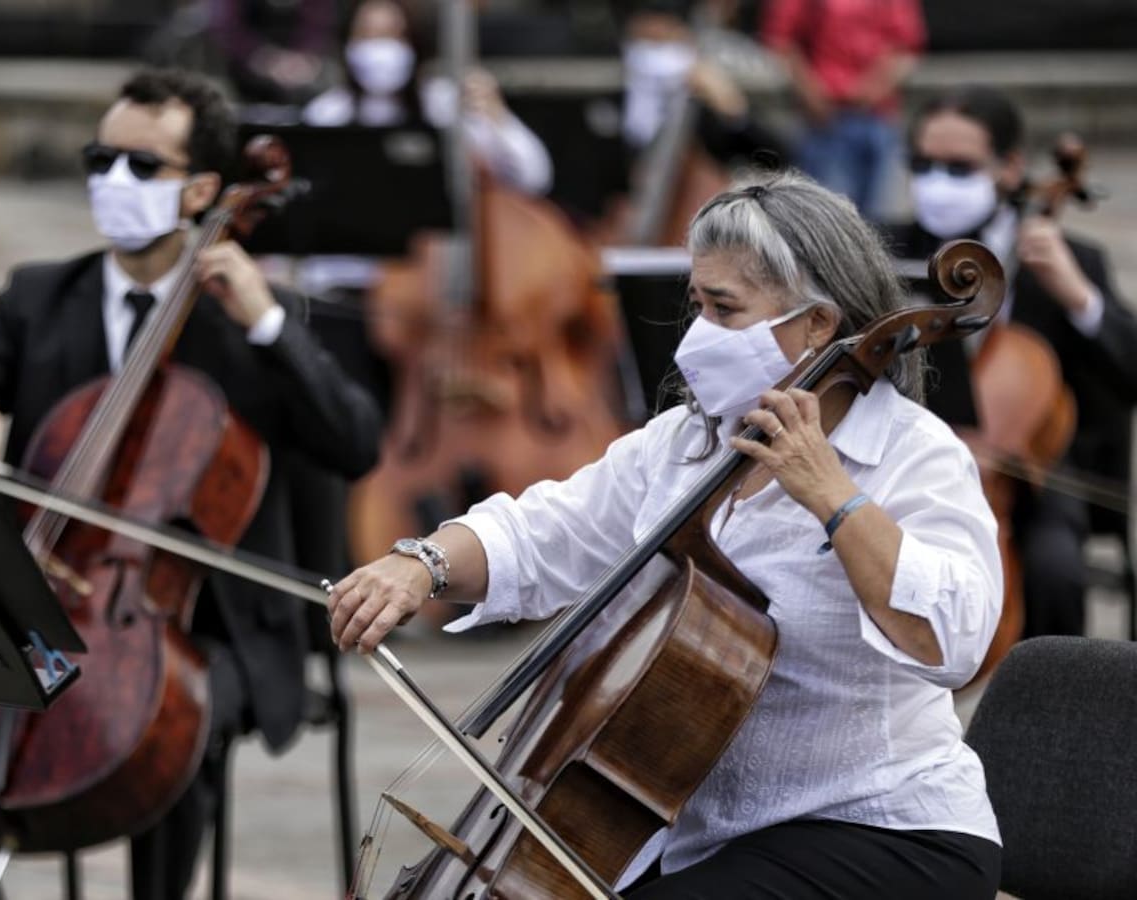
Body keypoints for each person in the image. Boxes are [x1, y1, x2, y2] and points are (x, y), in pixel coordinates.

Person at [328, 170, 1003, 898]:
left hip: (879, 825)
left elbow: (955, 636)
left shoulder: (913, 454)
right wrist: (422, 564)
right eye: (697, 304)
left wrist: (832, 496)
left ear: (818, 324)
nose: (699, 332)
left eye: (725, 308)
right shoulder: (690, 443)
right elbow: (546, 530)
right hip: (705, 834)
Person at [0, 67, 382, 899]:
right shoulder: (41, 295)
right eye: (100, 159)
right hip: (49, 599)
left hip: (217, 626)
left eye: (142, 166)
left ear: (203, 191)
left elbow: (355, 443)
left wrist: (266, 322)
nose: (113, 180)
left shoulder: (253, 314)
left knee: (174, 714)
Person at [883, 85, 1137, 638]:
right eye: (923, 165)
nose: (938, 181)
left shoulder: (1073, 258)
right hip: (903, 462)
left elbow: (1130, 373)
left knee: (1055, 569)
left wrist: (1078, 296)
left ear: (1010, 167)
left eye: (960, 167)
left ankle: (1050, 689)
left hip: (1029, 476)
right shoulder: (885, 250)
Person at [302, 0, 553, 196]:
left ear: (413, 43)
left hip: (436, 246)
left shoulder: (444, 104)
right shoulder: (326, 114)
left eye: (393, 35)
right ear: (347, 43)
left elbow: (532, 179)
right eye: (367, 35)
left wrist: (498, 118)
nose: (380, 49)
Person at [761, 0, 926, 221]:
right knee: (826, 218)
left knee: (879, 219)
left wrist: (872, 88)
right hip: (826, 119)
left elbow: (906, 47)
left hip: (878, 117)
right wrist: (811, 93)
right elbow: (782, 42)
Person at [620, 0, 784, 172]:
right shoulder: (646, 57)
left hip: (673, 153)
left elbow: (732, 107)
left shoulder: (679, 55)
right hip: (650, 154)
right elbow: (729, 103)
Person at [207, 0, 338, 105]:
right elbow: (226, 27)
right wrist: (265, 59)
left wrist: (303, 58)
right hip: (243, 74)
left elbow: (319, 24)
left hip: (303, 75)